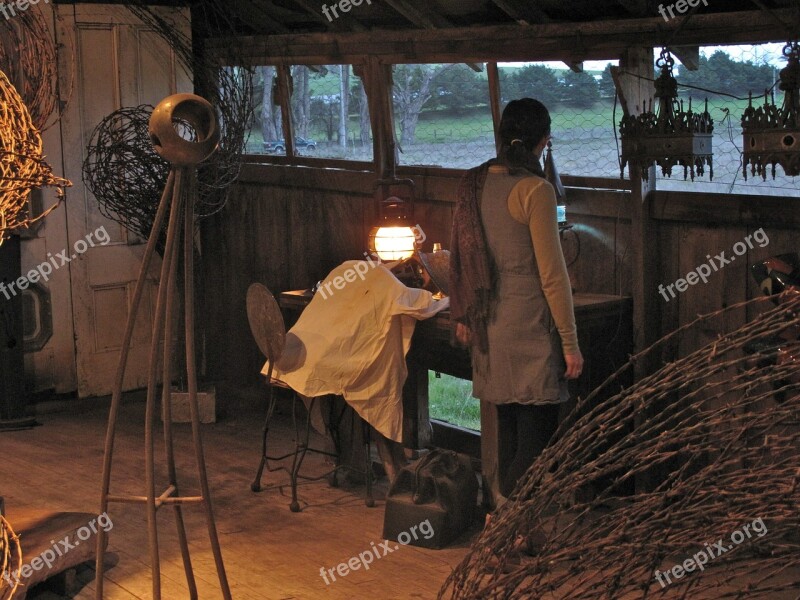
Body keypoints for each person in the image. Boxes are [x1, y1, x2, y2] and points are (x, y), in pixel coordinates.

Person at [450, 98, 584, 504]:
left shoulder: (473, 184)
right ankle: (509, 524)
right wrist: (570, 342)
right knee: (536, 440)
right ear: (544, 142)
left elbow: (460, 257)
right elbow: (553, 276)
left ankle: (503, 524)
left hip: (490, 325)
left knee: (508, 429)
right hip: (529, 329)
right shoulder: (535, 190)